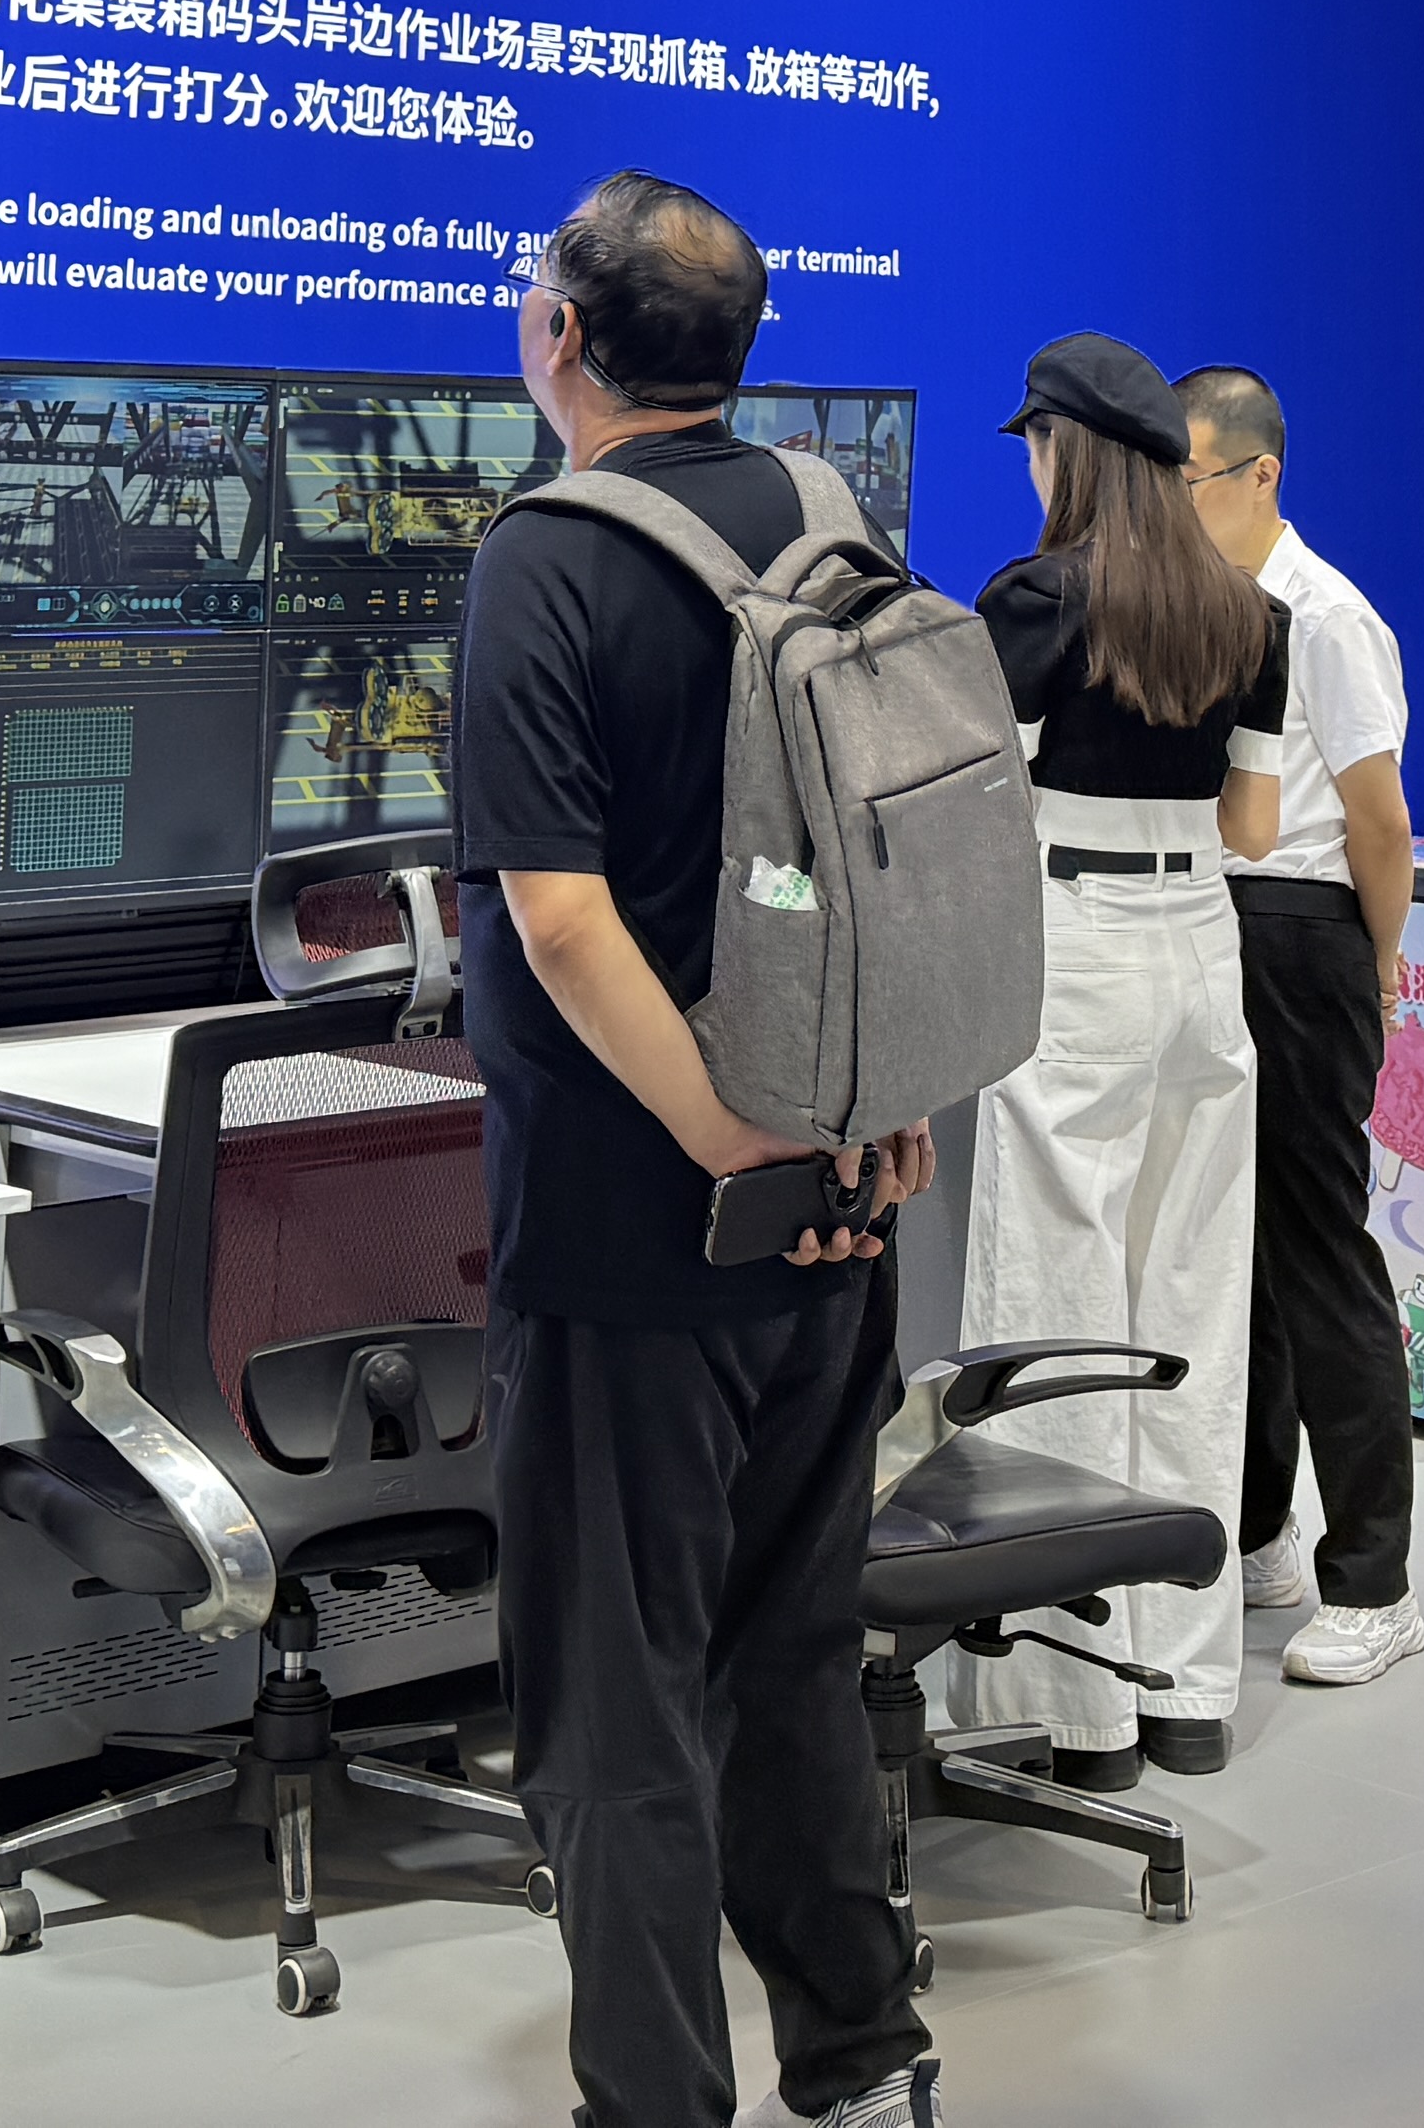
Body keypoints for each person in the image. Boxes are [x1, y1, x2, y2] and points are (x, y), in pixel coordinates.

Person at [457, 170, 941, 2128]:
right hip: (844, 1200)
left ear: (562, 339)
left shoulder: (547, 557)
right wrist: (863, 1107)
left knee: (617, 1707)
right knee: (791, 1657)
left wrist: (720, 1136)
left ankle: (655, 2104)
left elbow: (561, 920)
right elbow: (906, 863)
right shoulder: (837, 523)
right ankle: (863, 2061)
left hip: (631, 1225)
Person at [951, 330, 1290, 1788]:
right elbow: (1253, 825)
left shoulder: (1034, 601)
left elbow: (971, 803)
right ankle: (1189, 1688)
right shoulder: (1252, 615)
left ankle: (1072, 1709)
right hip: (1202, 947)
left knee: (1057, 1306)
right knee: (1195, 1303)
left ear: (1063, 449)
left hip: (1072, 942)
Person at [1177, 360, 1424, 1692]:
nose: (1172, 503)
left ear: (1259, 473)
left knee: (1320, 1252)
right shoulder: (1201, 606)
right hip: (1210, 927)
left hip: (1306, 933)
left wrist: (1375, 963)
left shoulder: (1327, 617)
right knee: (1240, 1251)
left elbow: (1380, 821)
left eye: (1189, 478)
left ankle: (1376, 1582)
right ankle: (1262, 1529)